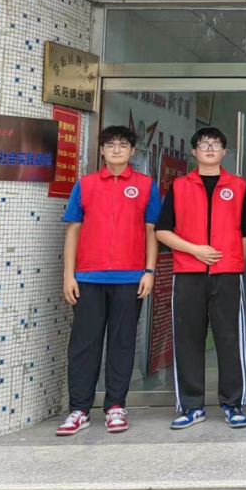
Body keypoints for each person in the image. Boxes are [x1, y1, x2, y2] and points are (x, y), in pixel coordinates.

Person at [56, 126, 160, 436]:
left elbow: (152, 230)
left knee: (122, 343)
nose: (116, 149)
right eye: (110, 144)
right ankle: (79, 410)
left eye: (123, 145)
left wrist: (150, 271)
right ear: (102, 150)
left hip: (130, 277)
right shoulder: (85, 185)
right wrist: (69, 275)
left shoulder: (146, 185)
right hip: (88, 277)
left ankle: (115, 406)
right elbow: (73, 230)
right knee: (84, 345)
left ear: (132, 152)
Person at [155, 127, 246, 430]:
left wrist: (236, 265)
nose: (210, 148)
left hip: (227, 275)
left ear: (224, 152)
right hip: (188, 273)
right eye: (203, 144)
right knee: (188, 340)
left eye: (215, 144)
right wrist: (195, 250)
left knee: (230, 340)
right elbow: (162, 231)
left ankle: (232, 404)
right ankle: (191, 407)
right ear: (194, 152)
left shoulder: (237, 185)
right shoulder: (180, 185)